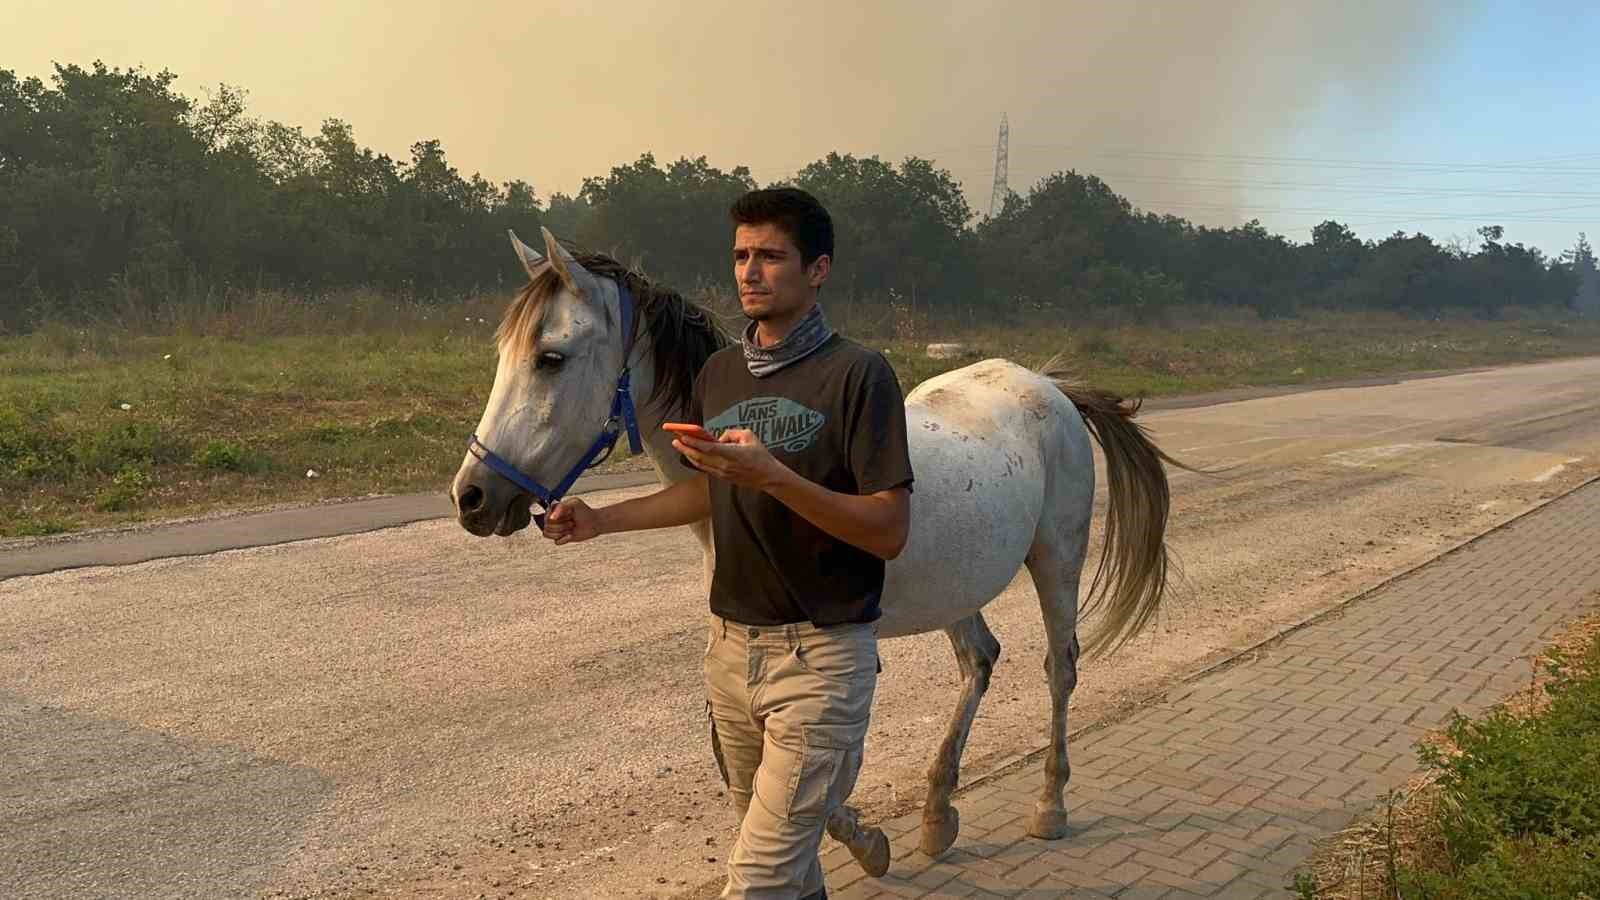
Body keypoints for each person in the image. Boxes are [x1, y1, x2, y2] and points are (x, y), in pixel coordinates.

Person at [540, 187, 914, 898]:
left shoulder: (859, 375)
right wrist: (602, 519)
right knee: (789, 870)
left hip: (821, 659)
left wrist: (773, 475)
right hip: (731, 653)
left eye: (771, 256)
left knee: (755, 882)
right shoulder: (720, 373)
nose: (750, 271)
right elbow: (710, 489)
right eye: (742, 255)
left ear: (819, 270)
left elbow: (889, 530)